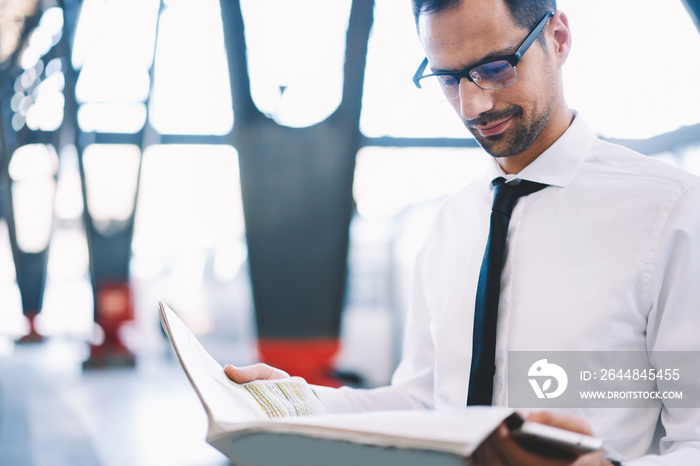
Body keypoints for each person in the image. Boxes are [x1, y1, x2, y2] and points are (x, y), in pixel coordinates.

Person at [226, 0, 700, 464]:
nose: (473, 105)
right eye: (448, 79)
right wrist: (295, 403)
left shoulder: (671, 212)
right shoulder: (452, 224)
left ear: (557, 39)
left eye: (495, 68)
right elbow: (425, 403)